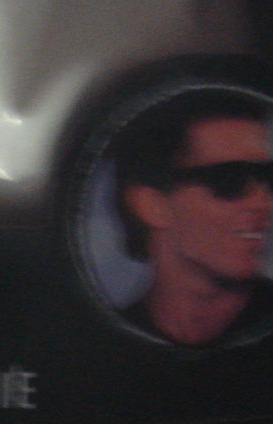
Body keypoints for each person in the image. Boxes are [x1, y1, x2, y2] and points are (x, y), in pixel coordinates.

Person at [113, 89, 273, 345]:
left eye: (269, 179)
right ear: (153, 205)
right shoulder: (103, 345)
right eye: (229, 180)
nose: (264, 204)